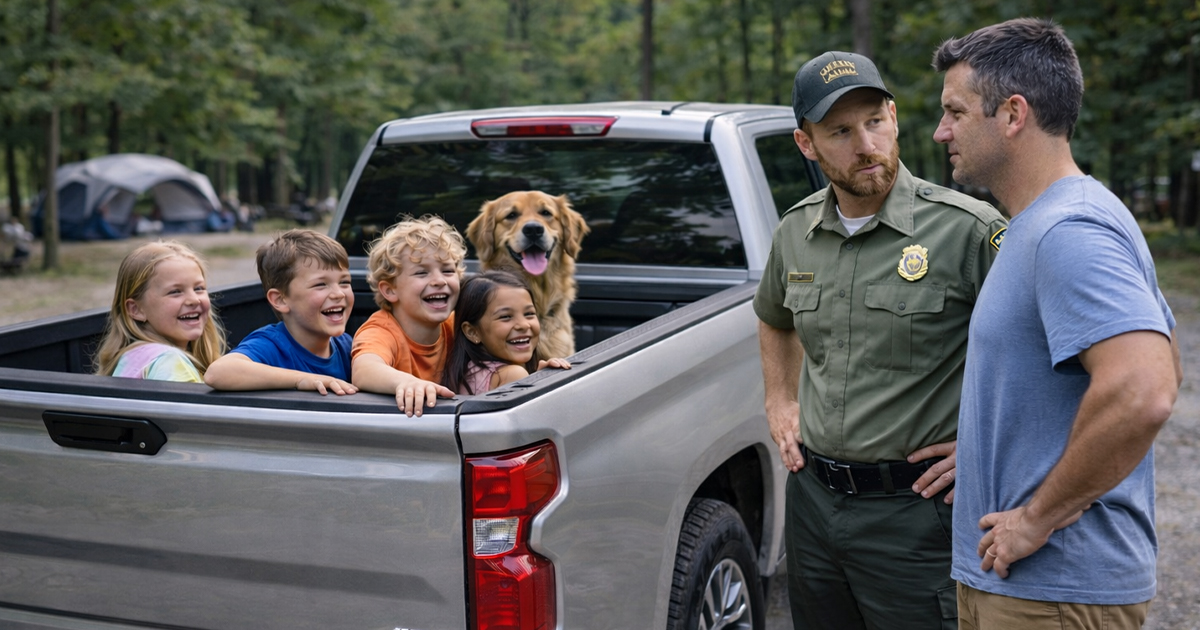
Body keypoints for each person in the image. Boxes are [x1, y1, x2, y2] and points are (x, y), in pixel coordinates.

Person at [932, 18, 1182, 629]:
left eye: (956, 113)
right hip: (1025, 590)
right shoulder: (1051, 221)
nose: (941, 132)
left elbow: (1145, 388)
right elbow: (1159, 356)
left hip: (1052, 593)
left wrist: (1037, 516)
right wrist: (1005, 444)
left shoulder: (1067, 232)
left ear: (1012, 114)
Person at [753, 50, 1008, 629]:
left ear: (894, 118)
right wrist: (779, 399)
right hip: (813, 504)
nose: (865, 144)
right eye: (840, 131)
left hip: (916, 513)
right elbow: (773, 316)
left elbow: (1047, 357)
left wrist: (985, 448)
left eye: (874, 121)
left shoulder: (970, 231)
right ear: (806, 145)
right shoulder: (796, 231)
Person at [204, 229, 357, 395]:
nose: (339, 293)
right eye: (320, 284)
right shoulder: (272, 345)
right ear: (280, 300)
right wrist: (301, 379)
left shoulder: (346, 345)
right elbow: (217, 373)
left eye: (344, 282)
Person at [351, 215, 464, 416]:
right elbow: (363, 370)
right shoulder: (381, 330)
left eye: (447, 270)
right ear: (390, 290)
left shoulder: (459, 324)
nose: (439, 280)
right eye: (422, 273)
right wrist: (408, 383)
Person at [94, 241, 226, 382]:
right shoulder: (169, 362)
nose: (194, 300)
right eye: (175, 292)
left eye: (199, 288)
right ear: (136, 309)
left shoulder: (131, 358)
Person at [442, 270, 571, 395]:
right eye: (506, 317)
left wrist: (538, 380)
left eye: (529, 314)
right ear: (472, 332)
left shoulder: (466, 371)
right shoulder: (513, 375)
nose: (523, 325)